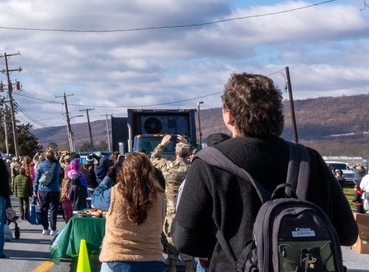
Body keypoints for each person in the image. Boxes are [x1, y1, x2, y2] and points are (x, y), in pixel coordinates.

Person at [173, 73, 359, 272]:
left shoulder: (209, 163)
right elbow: (347, 233)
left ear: (228, 115)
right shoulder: (310, 159)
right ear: (278, 114)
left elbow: (184, 241)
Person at [99, 151, 166, 272]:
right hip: (153, 259)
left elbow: (95, 199)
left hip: (117, 258)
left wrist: (109, 177)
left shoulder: (114, 193)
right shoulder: (160, 197)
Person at [150, 134, 193, 272]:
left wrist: (162, 144)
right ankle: (189, 265)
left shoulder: (168, 167)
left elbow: (153, 159)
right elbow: (202, 157)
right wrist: (188, 145)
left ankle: (173, 265)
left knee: (170, 243)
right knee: (188, 242)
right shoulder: (193, 168)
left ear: (176, 153)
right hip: (188, 209)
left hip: (171, 209)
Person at [35, 148, 63, 236]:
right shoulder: (57, 165)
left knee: (43, 209)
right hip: (54, 189)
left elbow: (37, 178)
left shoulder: (41, 165)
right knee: (53, 210)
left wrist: (35, 189)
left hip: (42, 189)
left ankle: (45, 228)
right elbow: (59, 175)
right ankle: (53, 229)